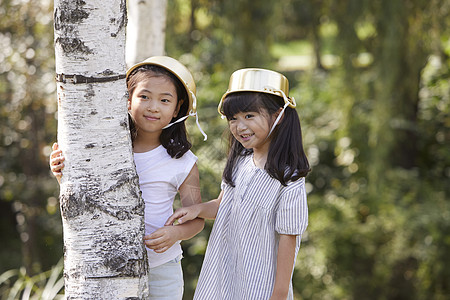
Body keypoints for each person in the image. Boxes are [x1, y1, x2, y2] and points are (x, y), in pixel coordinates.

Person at [49, 56, 206, 300]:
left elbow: (197, 218)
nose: (153, 107)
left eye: (165, 100)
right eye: (144, 96)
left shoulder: (183, 161)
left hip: (161, 268)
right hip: (108, 266)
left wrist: (176, 234)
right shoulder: (106, 150)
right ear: (128, 99)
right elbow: (87, 195)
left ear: (177, 109)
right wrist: (63, 173)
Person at [166, 68, 311, 299]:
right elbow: (223, 205)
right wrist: (197, 210)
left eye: (249, 116)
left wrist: (280, 293)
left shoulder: (289, 180)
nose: (239, 126)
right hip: (223, 276)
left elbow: (288, 238)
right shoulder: (240, 162)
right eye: (233, 118)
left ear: (278, 116)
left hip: (260, 285)